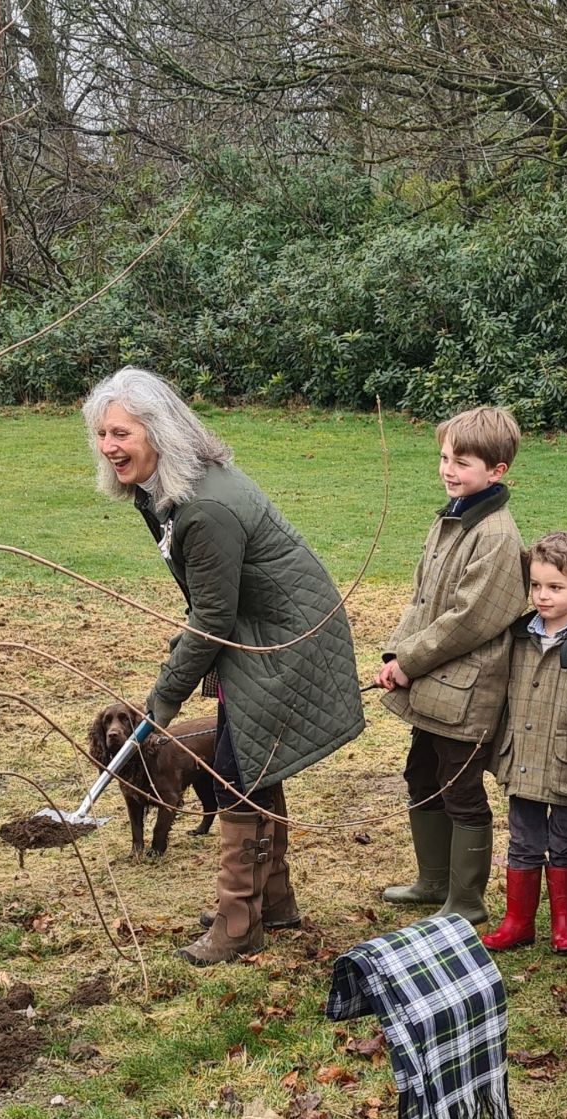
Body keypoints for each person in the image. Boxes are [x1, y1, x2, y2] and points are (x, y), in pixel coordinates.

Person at [82, 368, 365, 966]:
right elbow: (209, 604)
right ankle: (274, 900)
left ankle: (239, 924)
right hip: (257, 632)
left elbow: (211, 615)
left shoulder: (203, 508)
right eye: (102, 433)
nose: (110, 446)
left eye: (122, 433)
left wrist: (164, 696)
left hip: (285, 640)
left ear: (157, 432)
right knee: (253, 762)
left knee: (237, 771)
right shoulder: (169, 490)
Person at [376, 406, 526, 926]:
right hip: (433, 685)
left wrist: (411, 661)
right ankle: (433, 881)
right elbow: (421, 600)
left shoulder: (497, 536)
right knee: (421, 774)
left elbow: (468, 619)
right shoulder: (450, 517)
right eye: (444, 458)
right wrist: (396, 654)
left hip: (469, 691)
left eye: (461, 462)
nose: (448, 469)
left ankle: (467, 902)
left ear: (497, 471)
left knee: (460, 790)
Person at [482, 532, 567, 954]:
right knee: (522, 840)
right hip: (521, 758)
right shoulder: (519, 634)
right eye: (536, 586)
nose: (542, 596)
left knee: (566, 841)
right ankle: (517, 921)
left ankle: (563, 924)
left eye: (556, 588)